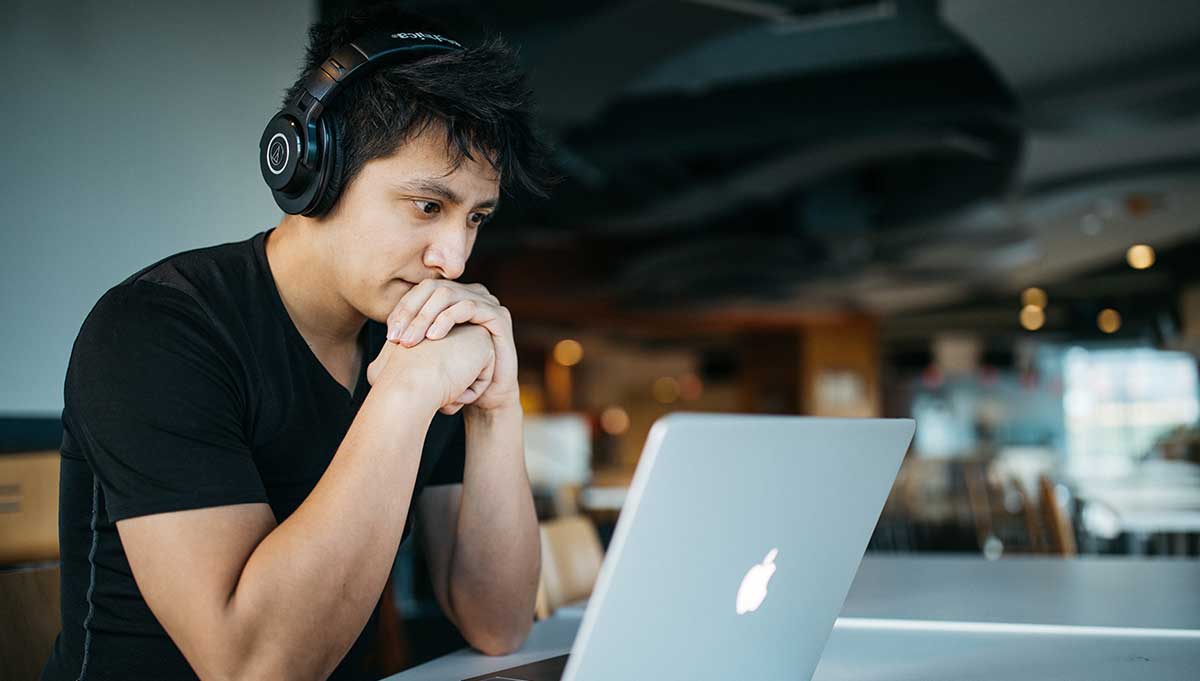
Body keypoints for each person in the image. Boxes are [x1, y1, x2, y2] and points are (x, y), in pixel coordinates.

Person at [41, 6, 555, 680]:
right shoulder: (156, 330)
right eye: (428, 206)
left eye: (476, 217)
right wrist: (402, 394)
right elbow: (255, 665)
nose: (454, 259)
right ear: (315, 170)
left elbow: (498, 622)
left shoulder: (418, 337)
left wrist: (496, 408)